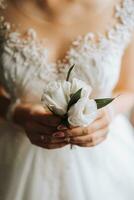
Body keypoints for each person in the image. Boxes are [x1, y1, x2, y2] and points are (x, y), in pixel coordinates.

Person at [0, 0, 134, 199]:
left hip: (104, 158)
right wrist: (18, 112)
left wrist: (108, 113)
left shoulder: (125, 7)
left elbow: (128, 88)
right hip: (14, 156)